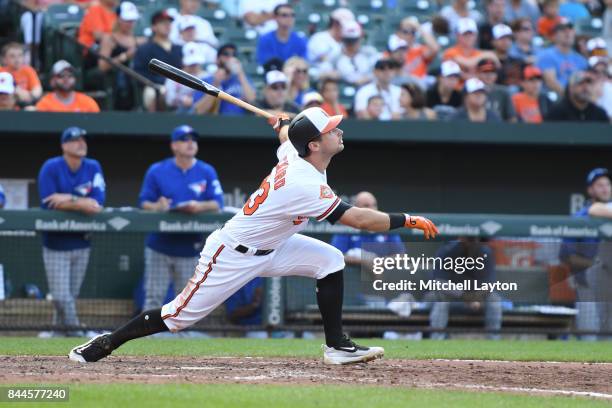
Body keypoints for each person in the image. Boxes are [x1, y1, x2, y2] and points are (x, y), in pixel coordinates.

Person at [69, 106, 439, 365]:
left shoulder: (294, 154)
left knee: (330, 260)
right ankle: (104, 343)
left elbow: (285, 135)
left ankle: (337, 347)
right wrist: (406, 219)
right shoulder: (302, 179)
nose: (339, 131)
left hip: (274, 245)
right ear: (314, 144)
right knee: (178, 317)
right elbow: (357, 219)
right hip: (232, 253)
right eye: (331, 130)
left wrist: (282, 123)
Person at [138, 125, 224, 311]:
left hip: (190, 247)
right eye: (185, 139)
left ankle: (183, 338)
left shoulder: (206, 170)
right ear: (174, 146)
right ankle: (148, 338)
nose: (190, 143)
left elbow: (218, 203)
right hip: (160, 245)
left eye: (193, 139)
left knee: (186, 302)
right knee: (153, 298)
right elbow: (144, 202)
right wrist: (157, 206)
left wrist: (198, 206)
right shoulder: (157, 170)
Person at [38, 127, 105, 335]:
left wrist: (68, 199)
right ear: (64, 145)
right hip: (56, 243)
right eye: (75, 140)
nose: (81, 143)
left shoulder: (93, 166)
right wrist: (81, 203)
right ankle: (77, 331)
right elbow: (49, 202)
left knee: (71, 295)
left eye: (83, 139)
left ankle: (58, 333)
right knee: (60, 295)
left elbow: (97, 204)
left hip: (82, 242)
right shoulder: (51, 166)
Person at [560, 168, 611, 340]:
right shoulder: (579, 218)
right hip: (587, 287)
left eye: (607, 184)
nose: (605, 188)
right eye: (599, 185)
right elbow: (566, 256)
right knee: (590, 339)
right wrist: (595, 266)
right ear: (590, 190)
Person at [428, 238, 502, 340]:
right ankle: (436, 340)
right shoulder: (448, 250)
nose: (470, 243)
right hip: (453, 299)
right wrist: (465, 296)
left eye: (472, 239)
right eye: (467, 239)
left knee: (495, 301)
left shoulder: (485, 252)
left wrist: (476, 298)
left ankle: (494, 341)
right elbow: (439, 283)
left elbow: (489, 284)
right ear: (461, 238)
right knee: (441, 301)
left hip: (477, 299)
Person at [331, 192, 405, 268]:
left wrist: (377, 262)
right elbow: (336, 256)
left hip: (383, 273)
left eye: (374, 205)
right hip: (352, 276)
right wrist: (363, 261)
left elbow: (401, 256)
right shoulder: (347, 227)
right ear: (356, 208)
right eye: (366, 206)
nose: (372, 209)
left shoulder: (386, 225)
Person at [133, 10, 182, 111]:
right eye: (162, 23)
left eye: (169, 23)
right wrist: (161, 83)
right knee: (152, 93)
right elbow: (139, 73)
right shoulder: (145, 48)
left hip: (178, 85)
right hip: (155, 85)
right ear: (153, 27)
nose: (167, 25)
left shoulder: (178, 48)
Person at [97, 1, 142, 111]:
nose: (130, 23)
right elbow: (102, 66)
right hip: (115, 83)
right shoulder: (109, 39)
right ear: (118, 18)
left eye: (132, 20)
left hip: (135, 83)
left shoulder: (140, 40)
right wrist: (125, 56)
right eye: (126, 20)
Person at [193, 43, 256, 116]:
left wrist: (240, 74)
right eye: (226, 54)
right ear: (217, 59)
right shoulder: (206, 81)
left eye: (234, 55)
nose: (231, 58)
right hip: (215, 123)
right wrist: (216, 83)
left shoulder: (242, 79)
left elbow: (252, 102)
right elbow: (200, 111)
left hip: (240, 123)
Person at [536, 18, 587, 96]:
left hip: (577, 97)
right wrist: (572, 99)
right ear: (554, 36)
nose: (567, 33)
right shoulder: (546, 55)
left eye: (570, 29)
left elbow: (585, 82)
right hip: (556, 99)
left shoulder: (580, 59)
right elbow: (551, 82)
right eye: (563, 30)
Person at [35, 60, 100, 113]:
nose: (66, 79)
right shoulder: (45, 104)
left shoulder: (88, 102)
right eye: (61, 76)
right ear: (52, 81)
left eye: (70, 75)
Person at [307, 8, 355, 75]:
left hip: (342, 78)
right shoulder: (319, 38)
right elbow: (325, 61)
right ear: (335, 23)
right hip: (320, 79)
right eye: (344, 26)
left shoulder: (348, 42)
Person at [334, 20, 379, 86]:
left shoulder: (370, 52)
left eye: (354, 40)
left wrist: (366, 78)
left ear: (360, 38)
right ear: (342, 39)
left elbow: (380, 71)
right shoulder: (335, 55)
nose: (351, 44)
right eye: (348, 41)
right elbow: (323, 72)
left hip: (368, 88)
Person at [165, 42, 207, 113]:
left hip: (202, 114)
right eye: (191, 64)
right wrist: (182, 99)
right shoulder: (174, 76)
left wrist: (195, 100)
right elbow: (169, 99)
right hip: (178, 113)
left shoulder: (207, 76)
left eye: (196, 63)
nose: (194, 66)